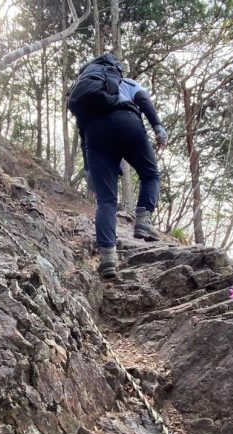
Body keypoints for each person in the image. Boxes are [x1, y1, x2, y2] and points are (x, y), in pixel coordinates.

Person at [74, 55, 168, 279]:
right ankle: (143, 222)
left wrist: (90, 170)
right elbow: (144, 101)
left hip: (94, 134)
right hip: (126, 121)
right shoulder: (126, 83)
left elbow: (82, 134)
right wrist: (158, 127)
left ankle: (107, 260)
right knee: (150, 174)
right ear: (116, 70)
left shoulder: (86, 97)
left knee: (106, 200)